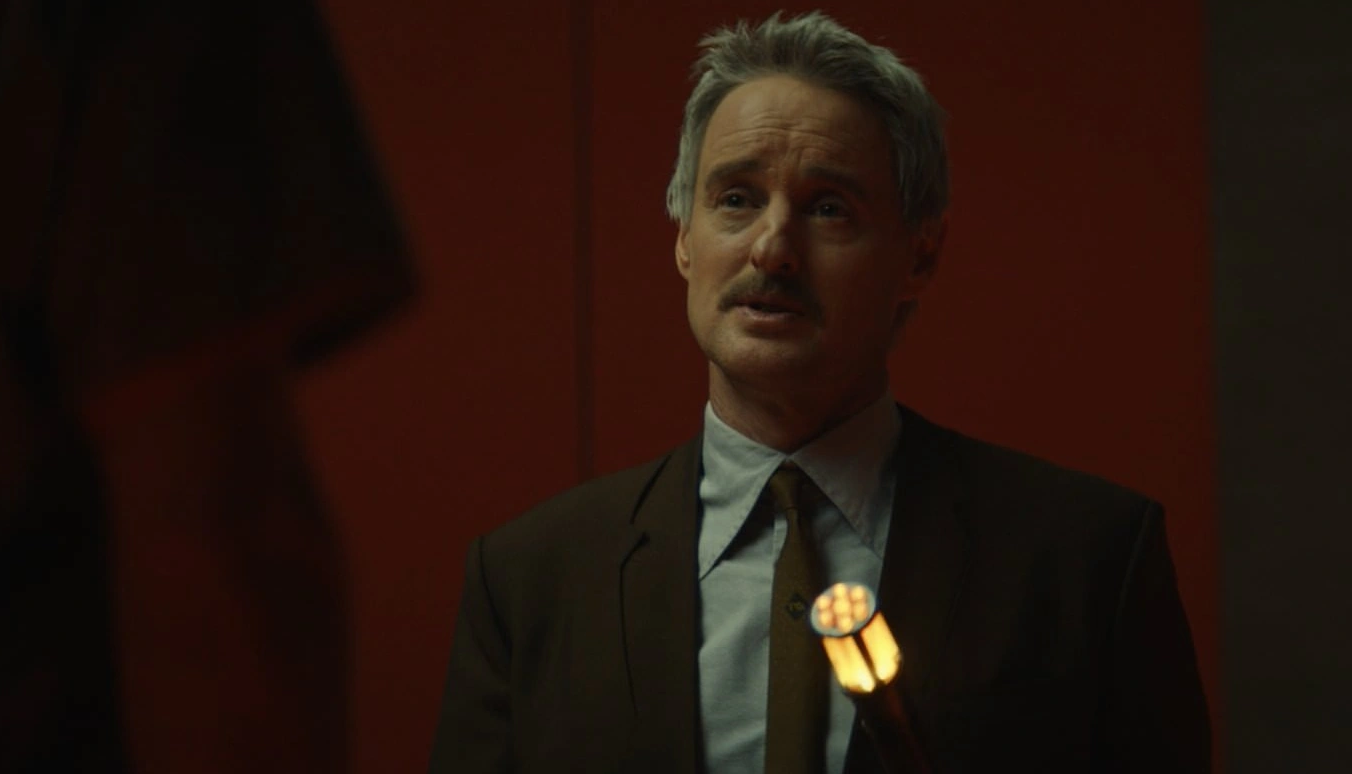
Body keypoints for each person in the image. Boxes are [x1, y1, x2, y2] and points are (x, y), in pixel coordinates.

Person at [431, 11, 1208, 773]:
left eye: (829, 208)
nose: (772, 249)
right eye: (736, 199)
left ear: (920, 254)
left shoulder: (1088, 561)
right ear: (683, 238)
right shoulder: (528, 580)